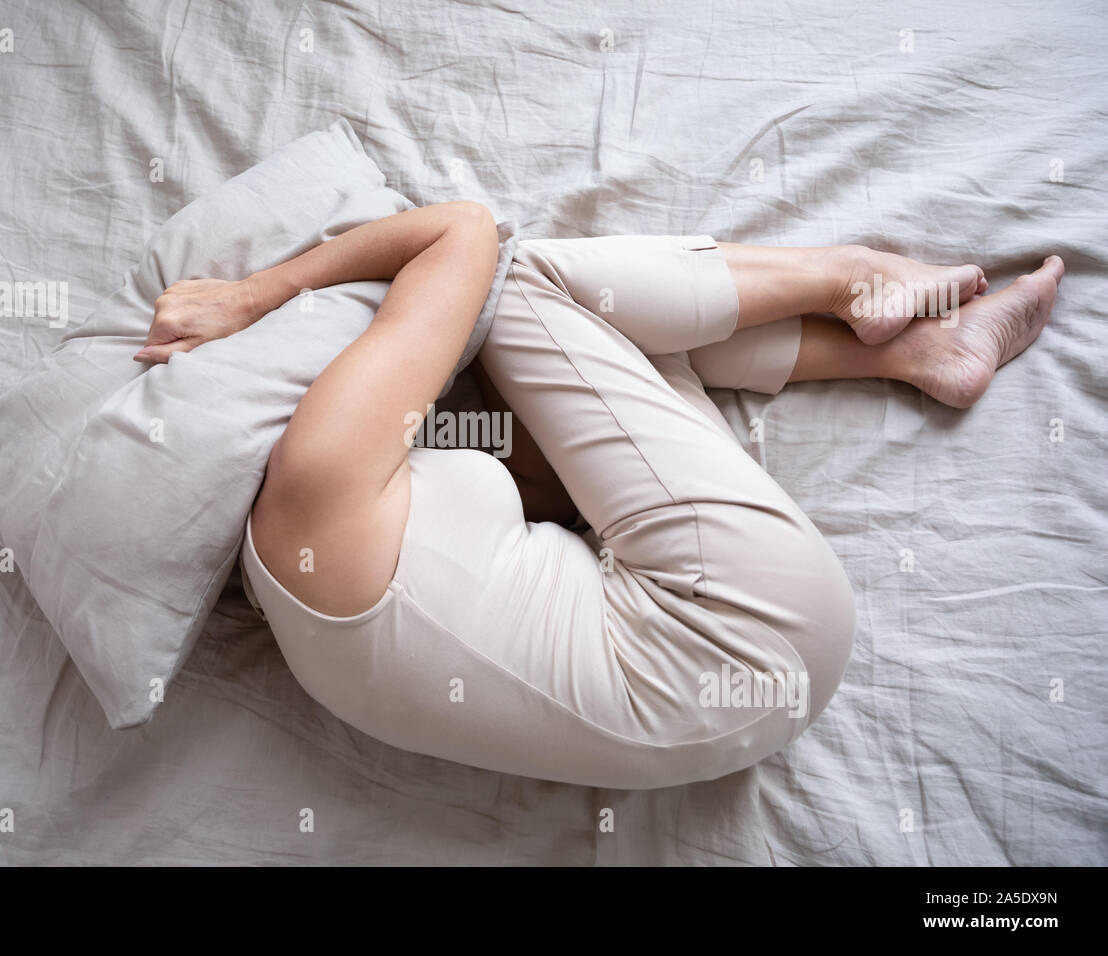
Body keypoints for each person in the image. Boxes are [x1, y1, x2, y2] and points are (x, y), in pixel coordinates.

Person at [135, 202, 1063, 788]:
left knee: (605, 341)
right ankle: (854, 270)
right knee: (534, 282)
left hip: (734, 720)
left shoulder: (303, 590)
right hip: (745, 616)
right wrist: (257, 295)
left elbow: (533, 473)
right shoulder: (318, 480)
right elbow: (464, 233)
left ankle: (922, 352)